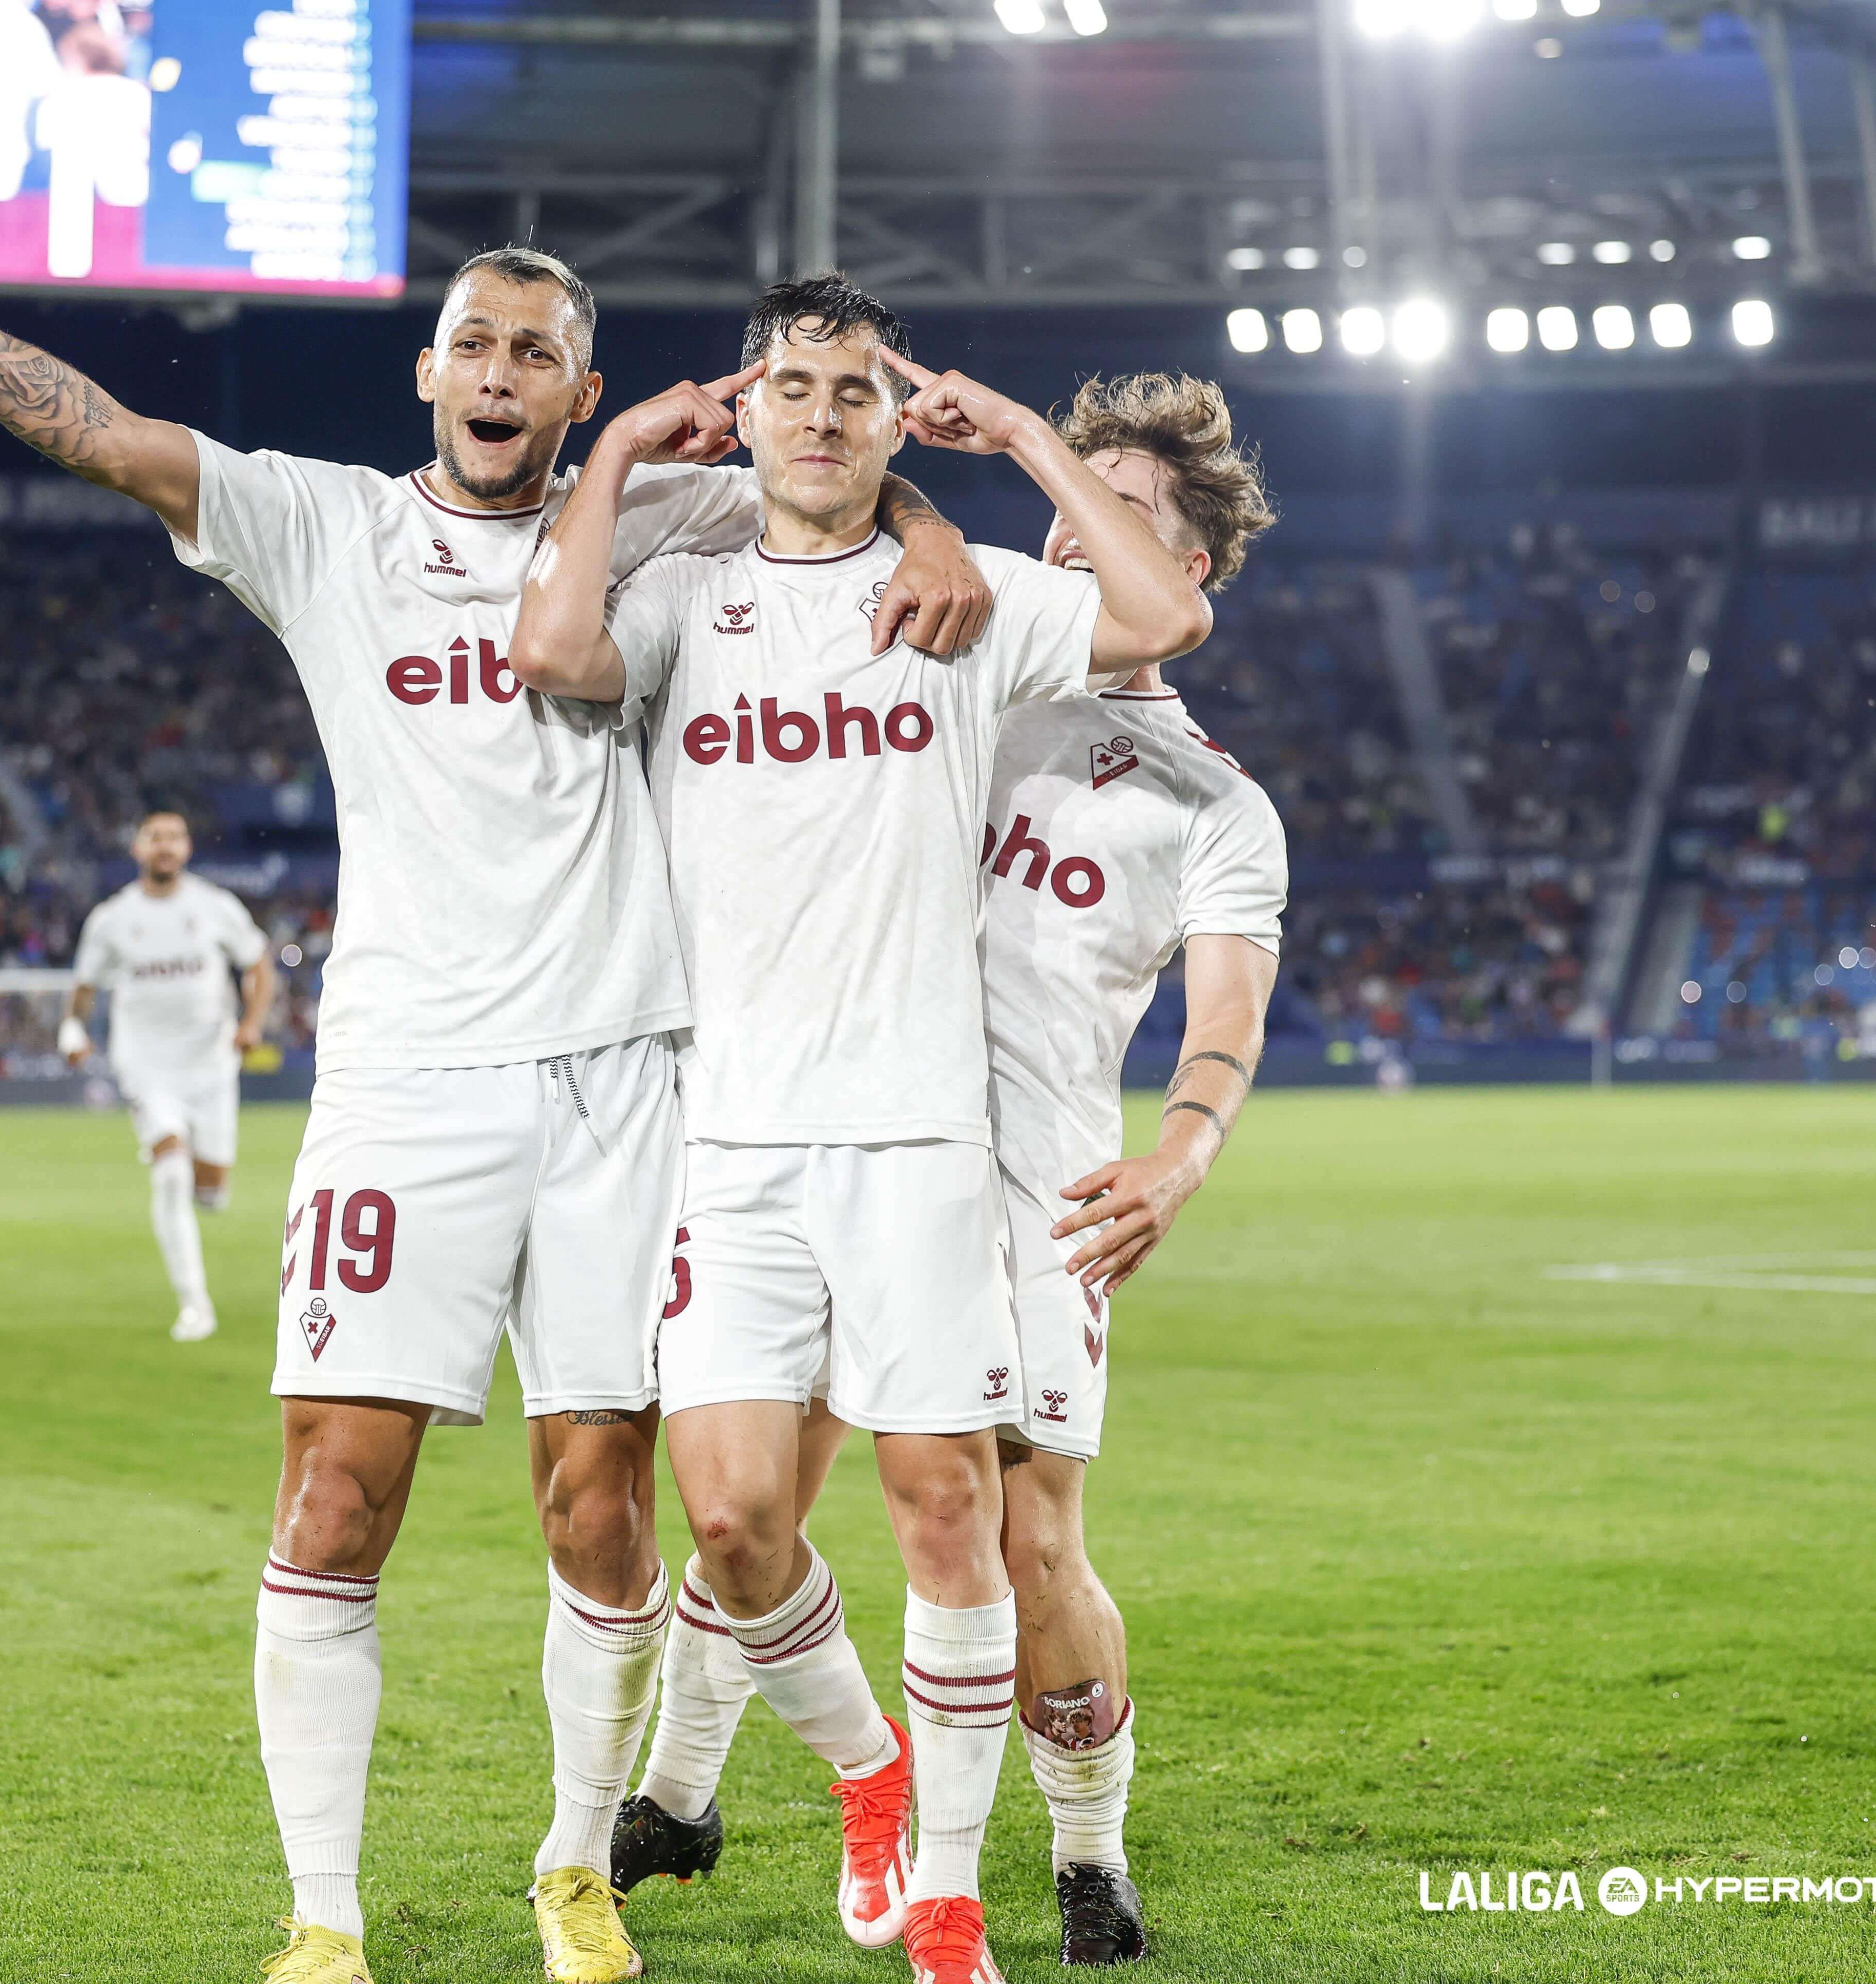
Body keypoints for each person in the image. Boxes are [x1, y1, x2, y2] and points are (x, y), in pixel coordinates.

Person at [0, 221, 993, 1984]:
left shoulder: (663, 523)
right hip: (404, 1081)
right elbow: (104, 435)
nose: (496, 375)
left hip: (629, 1077)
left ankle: (571, 1869)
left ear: (580, 394)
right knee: (333, 1495)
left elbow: (829, 496)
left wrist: (924, 523)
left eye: (534, 354)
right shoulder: (327, 529)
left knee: (600, 1506)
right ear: (426, 371)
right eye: (472, 344)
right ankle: (321, 1918)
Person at [510, 278, 1213, 1984]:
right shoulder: (681, 598)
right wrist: (614, 444)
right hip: (733, 1142)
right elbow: (543, 649)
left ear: (899, 420)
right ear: (742, 411)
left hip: (915, 1144)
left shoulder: (965, 617)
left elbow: (1161, 623)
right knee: (738, 1526)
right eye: (790, 389)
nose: (819, 415)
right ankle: (872, 1772)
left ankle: (953, 1902)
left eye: (852, 393)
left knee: (937, 1510)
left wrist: (1018, 449)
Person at [62, 810, 276, 1343]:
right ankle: (195, 1305)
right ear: (138, 847)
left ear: (187, 846)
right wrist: (73, 1028)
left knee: (211, 1192)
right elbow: (85, 986)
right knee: (171, 1173)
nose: (165, 845)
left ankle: (208, 1193)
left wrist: (251, 1023)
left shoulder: (214, 906)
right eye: (155, 836)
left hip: (211, 1065)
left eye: (175, 836)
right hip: (146, 1064)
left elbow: (260, 964)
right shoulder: (112, 919)